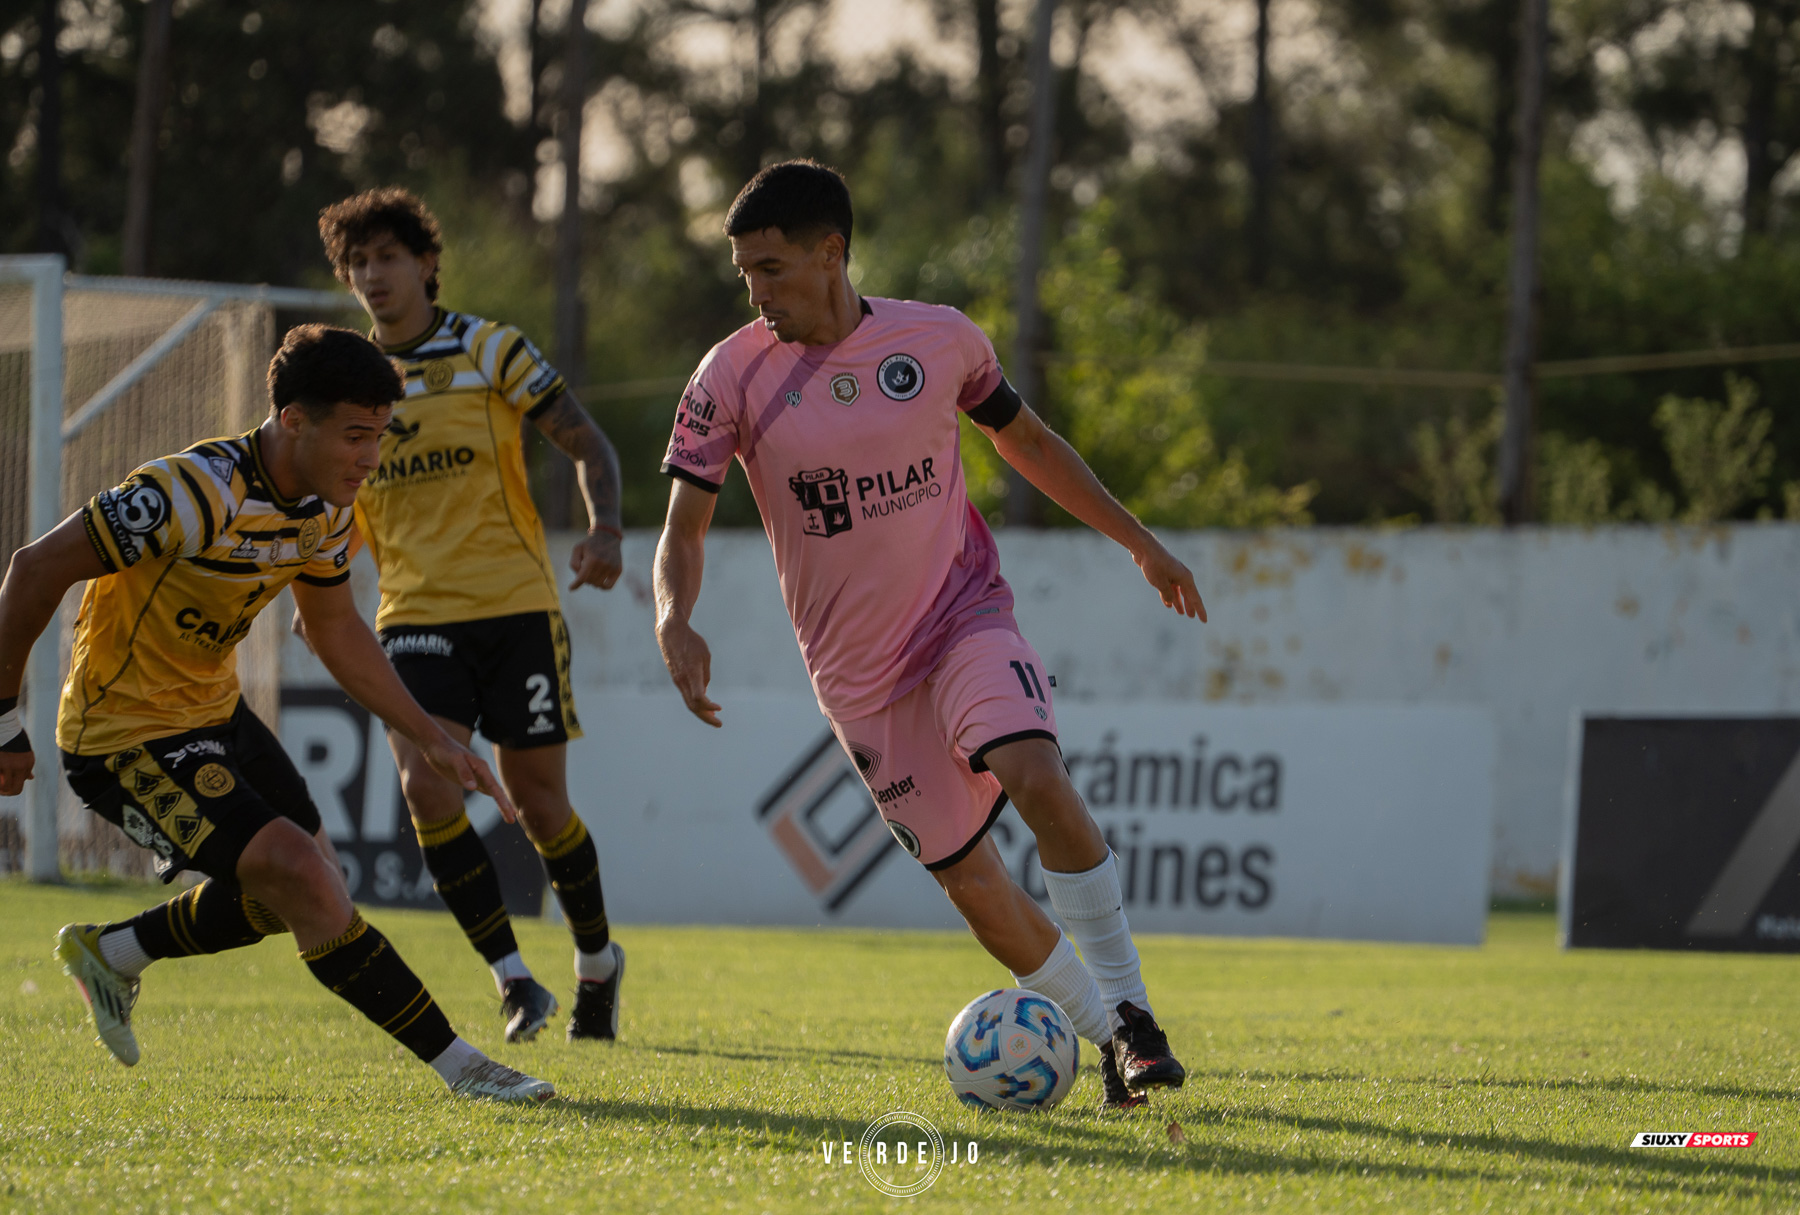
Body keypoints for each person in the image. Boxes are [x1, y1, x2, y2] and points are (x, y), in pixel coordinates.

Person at [653, 161, 1206, 1111]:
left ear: (832, 253)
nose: (758, 293)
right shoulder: (729, 374)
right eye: (746, 274)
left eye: (773, 269)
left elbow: (1027, 442)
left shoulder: (940, 338)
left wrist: (1141, 544)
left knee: (1035, 771)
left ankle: (1132, 1016)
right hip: (859, 681)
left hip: (964, 613)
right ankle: (1105, 1037)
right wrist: (673, 613)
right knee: (974, 883)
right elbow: (683, 527)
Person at [0, 325, 554, 1101]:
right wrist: (2, 716)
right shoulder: (187, 492)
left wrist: (430, 737)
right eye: (356, 436)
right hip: (121, 736)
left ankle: (116, 952)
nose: (371, 458)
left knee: (308, 881)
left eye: (380, 437)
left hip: (214, 716)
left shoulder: (326, 510)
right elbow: (32, 570)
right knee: (303, 876)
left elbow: (334, 630)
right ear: (294, 419)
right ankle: (466, 1066)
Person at [313, 188, 625, 1043]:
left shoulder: (489, 348)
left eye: (386, 257)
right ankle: (514, 980)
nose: (372, 276)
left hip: (517, 605)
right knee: (426, 780)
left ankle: (597, 960)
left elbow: (586, 439)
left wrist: (605, 527)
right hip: (412, 614)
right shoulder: (345, 380)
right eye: (357, 264)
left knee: (538, 804)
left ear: (425, 264)